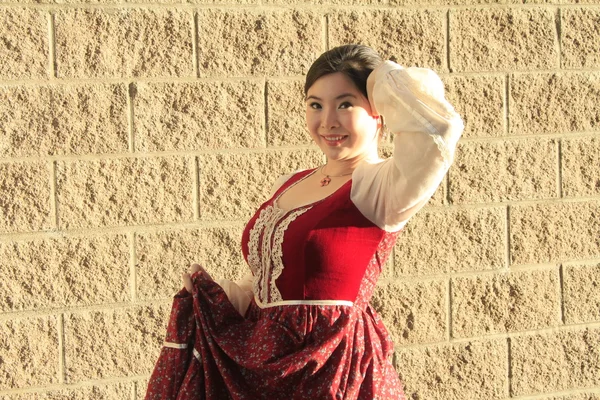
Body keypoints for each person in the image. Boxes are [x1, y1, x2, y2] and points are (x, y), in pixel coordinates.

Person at [144, 44, 464, 399]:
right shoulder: (293, 181)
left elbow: (436, 133)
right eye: (316, 105)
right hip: (264, 367)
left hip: (331, 370)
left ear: (378, 112)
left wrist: (382, 79)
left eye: (346, 104)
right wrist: (224, 300)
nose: (328, 121)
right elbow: (269, 280)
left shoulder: (381, 186)